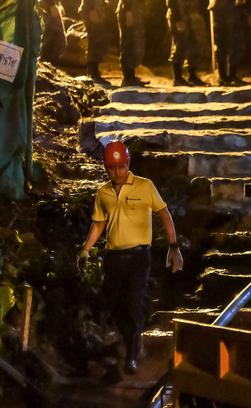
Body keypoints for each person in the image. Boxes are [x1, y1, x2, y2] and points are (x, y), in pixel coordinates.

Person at [78, 141, 183, 373]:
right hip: (114, 257)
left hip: (139, 257)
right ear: (106, 168)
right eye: (112, 168)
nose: (118, 173)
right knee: (112, 301)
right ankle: (128, 340)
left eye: (121, 167)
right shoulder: (103, 192)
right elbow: (99, 223)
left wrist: (173, 246)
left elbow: (164, 213)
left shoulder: (145, 187)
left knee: (133, 301)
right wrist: (86, 249)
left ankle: (133, 353)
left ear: (128, 164)